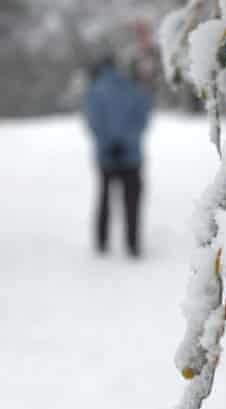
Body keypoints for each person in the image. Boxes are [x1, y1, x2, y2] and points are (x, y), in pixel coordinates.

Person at [85, 52, 152, 257]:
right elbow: (142, 120)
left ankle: (101, 242)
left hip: (106, 157)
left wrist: (108, 144)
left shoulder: (94, 91)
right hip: (131, 156)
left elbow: (94, 123)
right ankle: (132, 242)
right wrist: (126, 142)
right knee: (132, 201)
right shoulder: (133, 88)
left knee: (104, 198)